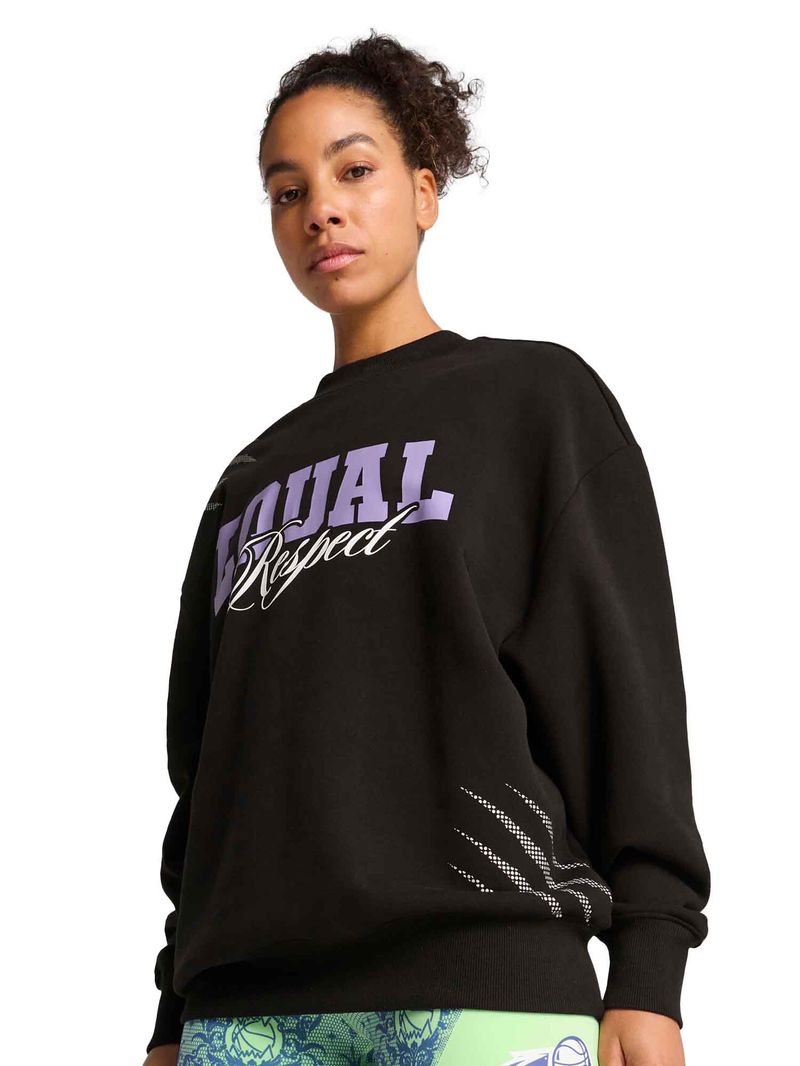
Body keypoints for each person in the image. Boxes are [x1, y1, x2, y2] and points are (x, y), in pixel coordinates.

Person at [143, 29, 711, 1066]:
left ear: (423, 190)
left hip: (483, 993)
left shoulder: (531, 402)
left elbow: (622, 699)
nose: (320, 209)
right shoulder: (248, 480)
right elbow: (209, 771)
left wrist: (649, 972)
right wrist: (172, 1017)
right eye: (287, 191)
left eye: (354, 171)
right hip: (244, 1018)